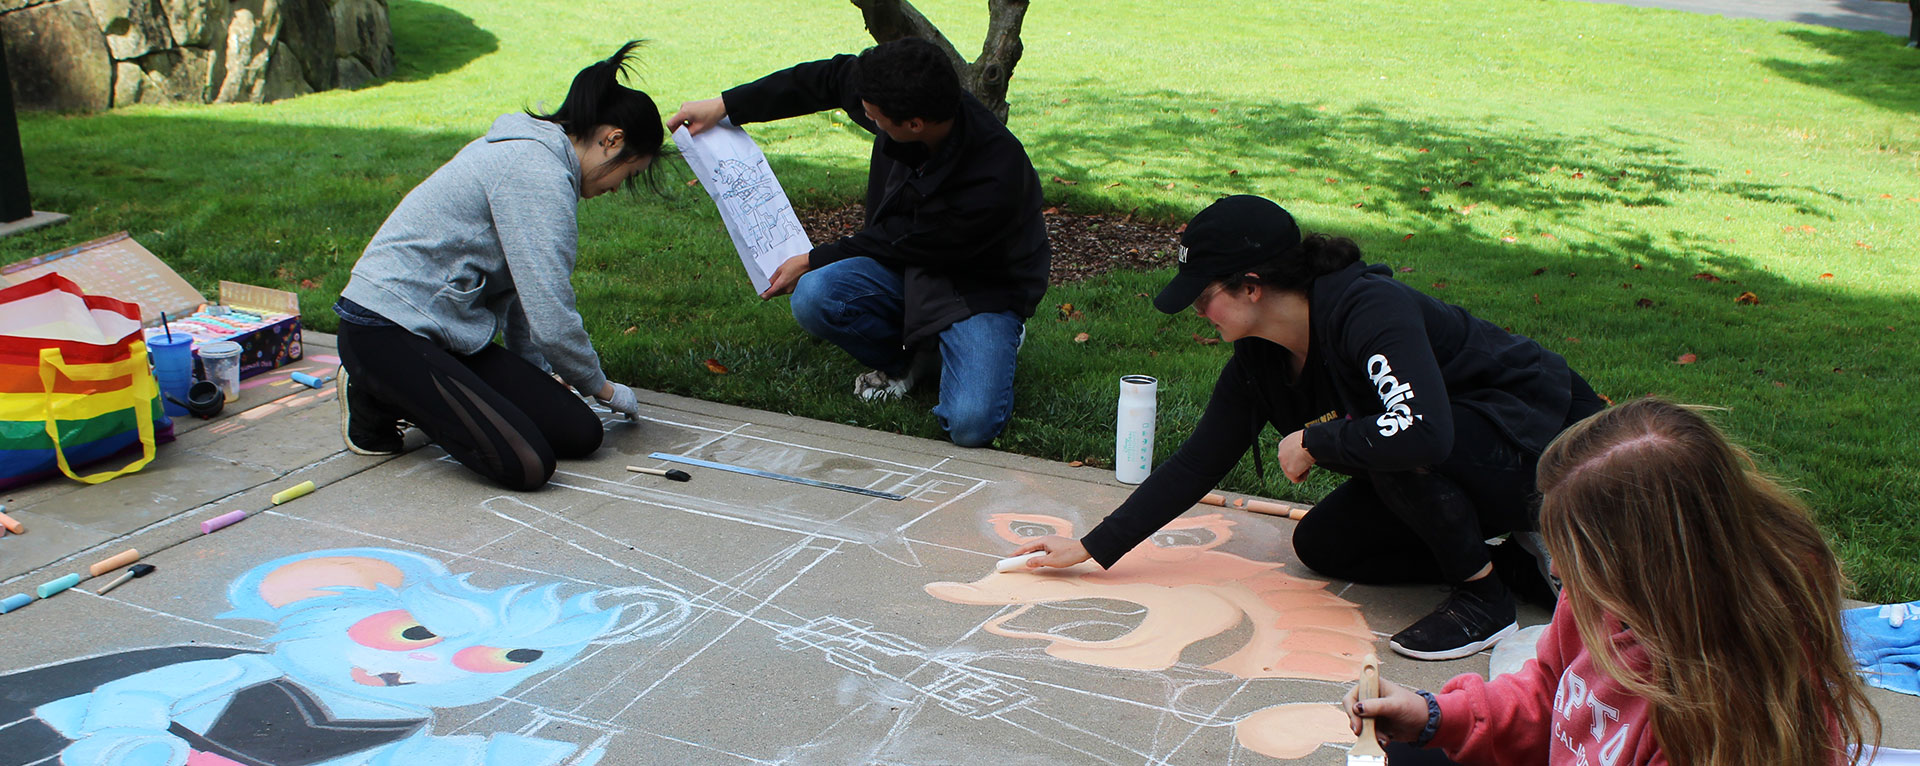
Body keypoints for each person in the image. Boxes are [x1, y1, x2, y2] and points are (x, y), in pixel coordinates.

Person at [1014, 194, 1606, 661]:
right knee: (1324, 543)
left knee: (1387, 441)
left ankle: (1486, 596)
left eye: (1203, 298)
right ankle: (1526, 568)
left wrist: (1316, 439)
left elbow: (1421, 431)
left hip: (1551, 452)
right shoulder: (1262, 357)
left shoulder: (1369, 308)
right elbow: (1198, 463)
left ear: (1251, 286)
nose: (1197, 312)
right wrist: (1094, 547)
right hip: (1460, 455)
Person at [1341, 398, 1882, 765]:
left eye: (1579, 559)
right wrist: (1436, 715)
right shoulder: (1614, 595)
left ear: (1654, 568)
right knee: (1417, 747)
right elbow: (1551, 689)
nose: (1556, 573)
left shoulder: (1720, 719)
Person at [667, 38, 1049, 448]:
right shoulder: (899, 93)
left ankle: (991, 340)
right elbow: (825, 80)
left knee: (971, 424)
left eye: (872, 116)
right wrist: (726, 105)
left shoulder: (992, 176)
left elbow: (901, 240)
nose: (862, 114)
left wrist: (814, 257)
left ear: (914, 124)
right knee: (815, 295)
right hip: (907, 267)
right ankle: (909, 361)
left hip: (979, 289)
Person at [330, 41, 662, 491]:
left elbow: (524, 297)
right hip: (385, 327)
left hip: (447, 331)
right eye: (631, 172)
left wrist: (537, 375)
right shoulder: (536, 173)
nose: (620, 188)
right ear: (612, 140)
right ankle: (371, 390)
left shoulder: (543, 163)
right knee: (526, 465)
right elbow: (551, 312)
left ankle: (426, 390)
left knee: (579, 433)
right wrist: (601, 387)